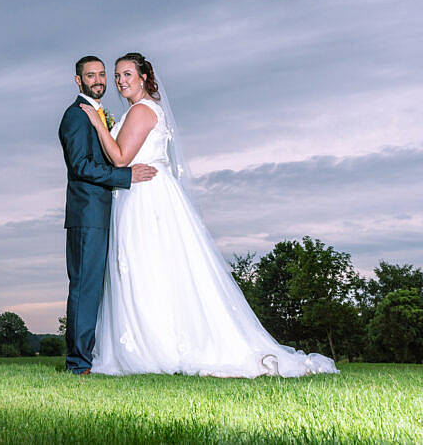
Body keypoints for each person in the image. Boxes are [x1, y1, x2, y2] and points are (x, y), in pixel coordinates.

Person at [77, 52, 338, 377]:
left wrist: (99, 125)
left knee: (148, 266)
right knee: (152, 269)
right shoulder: (140, 110)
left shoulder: (142, 111)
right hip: (141, 194)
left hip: (145, 200)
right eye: (117, 76)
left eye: (127, 74)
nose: (121, 81)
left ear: (143, 77)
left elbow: (119, 159)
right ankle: (152, 341)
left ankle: (157, 347)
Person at [59, 55, 158, 375]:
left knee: (99, 287)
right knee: (85, 287)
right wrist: (126, 177)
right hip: (87, 214)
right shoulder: (75, 116)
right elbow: (80, 166)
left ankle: (96, 354)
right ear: (78, 80)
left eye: (103, 74)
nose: (100, 80)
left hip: (106, 211)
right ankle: (78, 363)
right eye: (91, 75)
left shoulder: (102, 114)